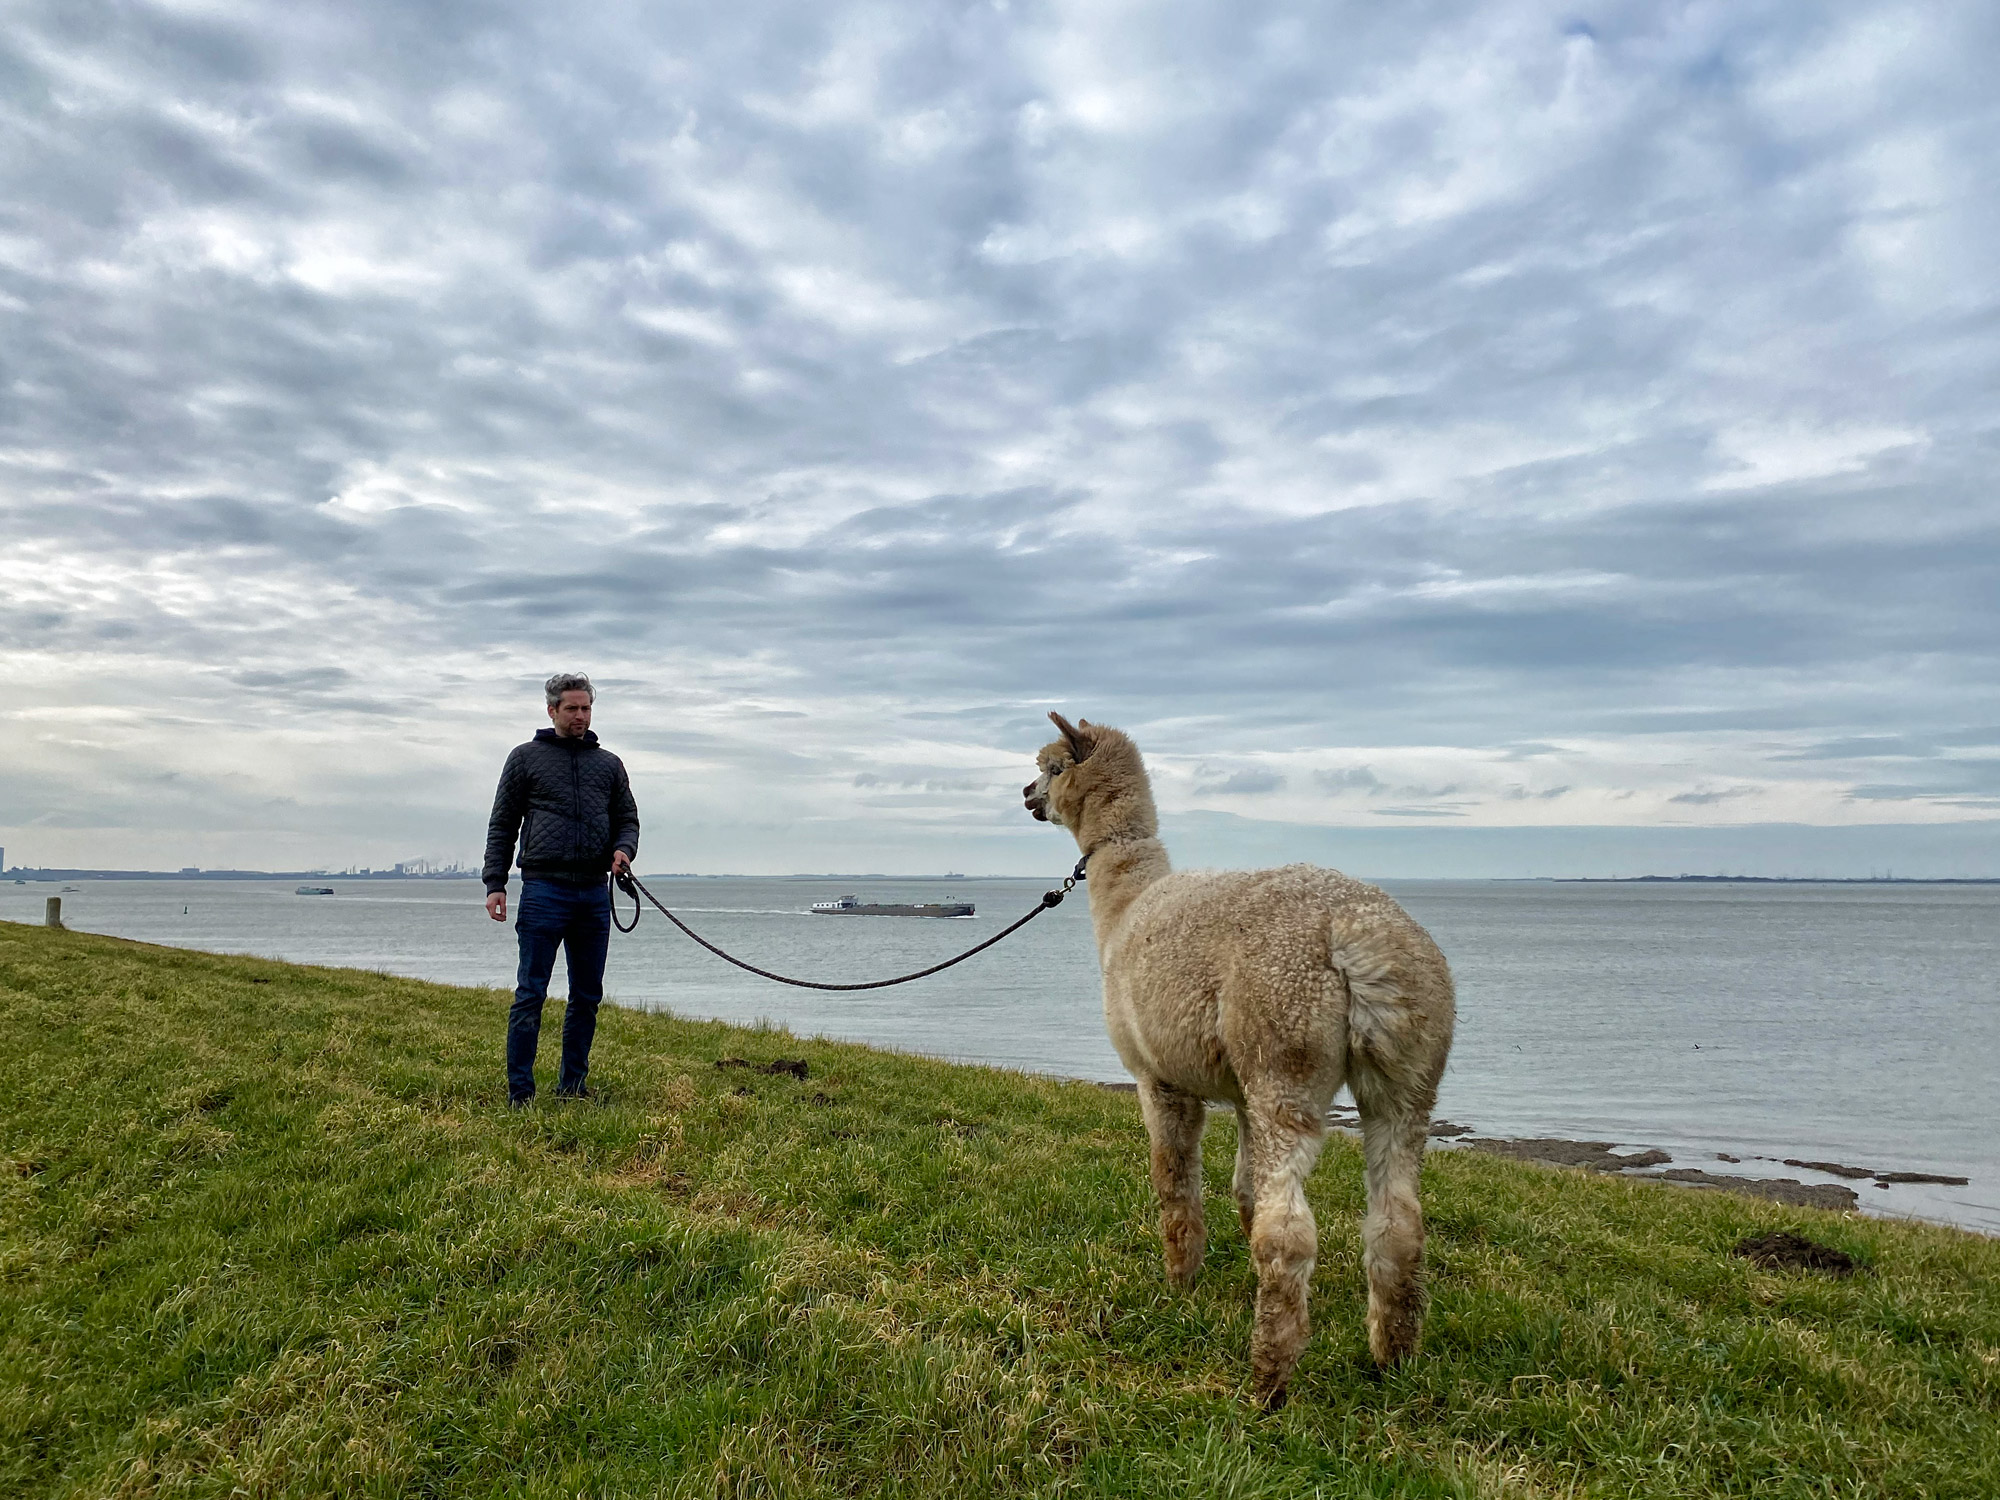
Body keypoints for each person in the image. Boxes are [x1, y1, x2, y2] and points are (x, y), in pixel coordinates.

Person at [482, 672, 640, 1106]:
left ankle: (572, 1088)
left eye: (586, 708)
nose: (580, 716)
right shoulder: (525, 758)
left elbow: (627, 819)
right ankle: (521, 1094)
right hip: (543, 890)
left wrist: (624, 851)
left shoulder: (609, 765)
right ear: (551, 710)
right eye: (571, 708)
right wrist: (495, 883)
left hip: (593, 893)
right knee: (531, 992)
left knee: (587, 996)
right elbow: (503, 824)